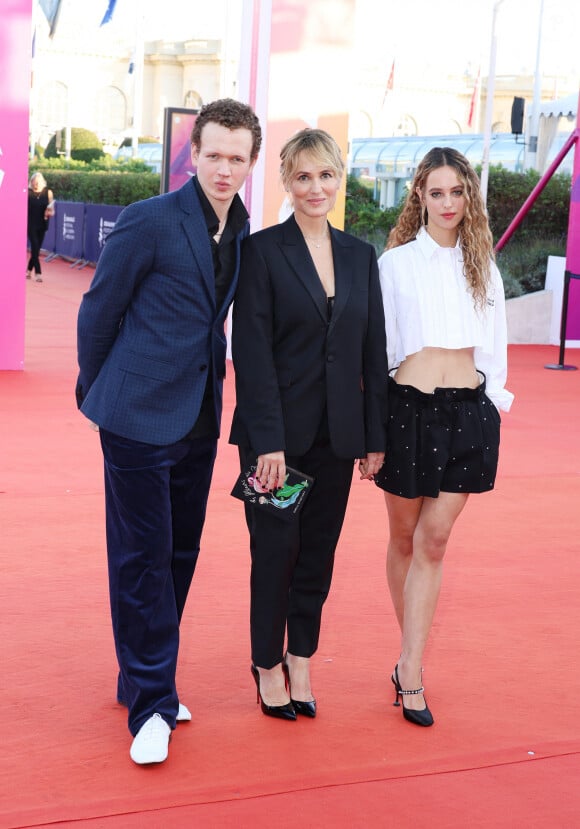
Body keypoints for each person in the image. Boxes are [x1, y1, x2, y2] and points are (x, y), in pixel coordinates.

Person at [75, 98, 261, 764]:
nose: (223, 168)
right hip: (134, 415)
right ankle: (153, 703)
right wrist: (95, 389)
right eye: (213, 154)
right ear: (195, 153)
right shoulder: (148, 219)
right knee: (142, 557)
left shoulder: (242, 230)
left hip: (199, 416)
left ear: (249, 163)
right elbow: (99, 311)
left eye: (237, 158)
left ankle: (140, 678)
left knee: (179, 553)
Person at [229, 128, 388, 721]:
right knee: (275, 551)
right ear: (287, 183)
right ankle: (267, 662)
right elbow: (252, 354)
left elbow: (373, 353)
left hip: (335, 439)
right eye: (302, 176)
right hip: (276, 445)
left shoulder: (359, 255)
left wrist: (373, 438)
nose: (315, 187)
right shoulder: (263, 251)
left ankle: (302, 658)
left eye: (325, 175)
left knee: (317, 553)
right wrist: (266, 443)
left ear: (338, 179)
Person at [373, 147, 514, 727]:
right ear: (420, 197)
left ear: (469, 198)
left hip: (467, 415)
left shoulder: (484, 263)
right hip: (406, 412)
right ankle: (411, 653)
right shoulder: (395, 264)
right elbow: (379, 345)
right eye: (437, 192)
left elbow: (497, 348)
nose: (448, 203)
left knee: (434, 541)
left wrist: (494, 409)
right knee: (403, 537)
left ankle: (411, 666)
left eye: (458, 192)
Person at [27, 172, 54, 282]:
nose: (36, 185)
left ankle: (28, 270)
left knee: (36, 250)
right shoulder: (28, 193)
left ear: (42, 182)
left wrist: (49, 212)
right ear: (31, 182)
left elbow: (52, 211)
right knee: (34, 246)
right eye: (34, 183)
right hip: (30, 224)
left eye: (38, 183)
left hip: (43, 224)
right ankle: (38, 273)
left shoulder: (48, 192)